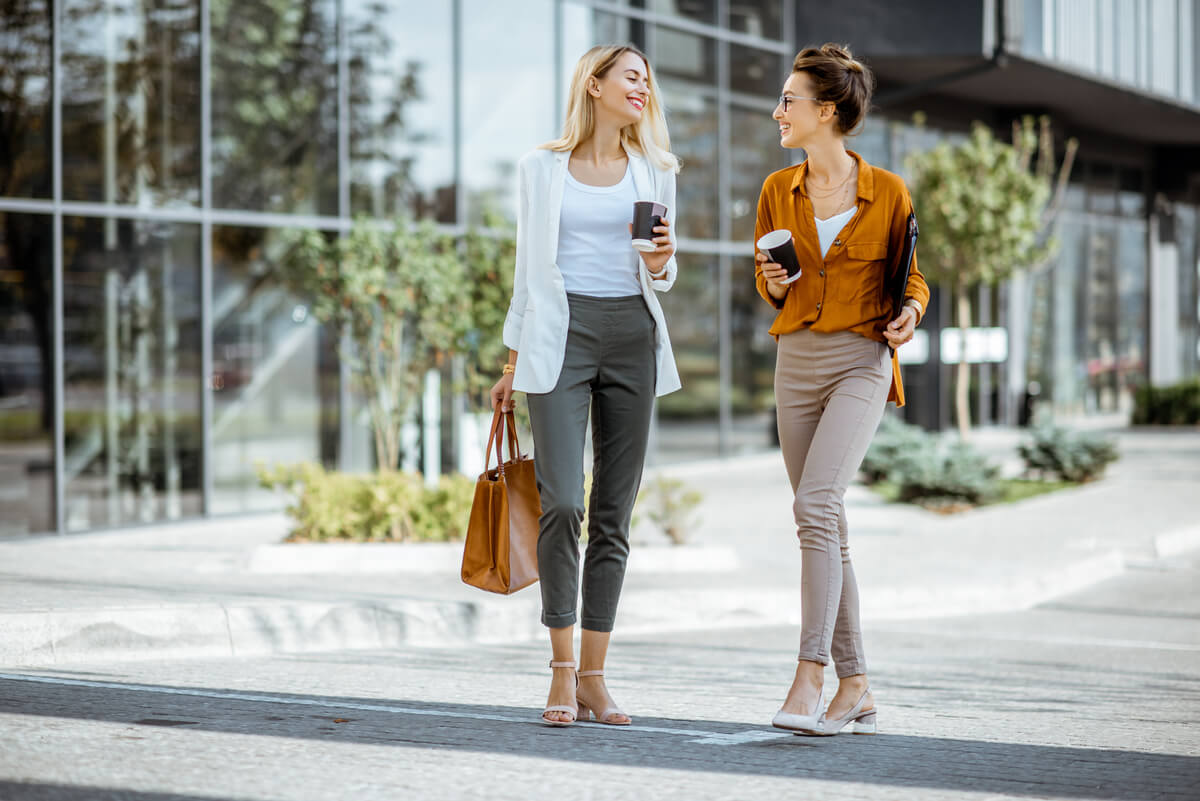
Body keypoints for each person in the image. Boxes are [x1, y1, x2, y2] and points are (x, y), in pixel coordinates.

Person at [489, 44, 681, 728]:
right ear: (595, 84)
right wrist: (513, 364)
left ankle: (595, 679)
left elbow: (664, 270)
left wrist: (662, 260)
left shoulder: (656, 169)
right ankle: (561, 671)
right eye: (632, 76)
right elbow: (525, 271)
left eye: (647, 81)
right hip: (558, 340)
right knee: (563, 500)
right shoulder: (539, 168)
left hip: (633, 335)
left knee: (613, 516)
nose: (643, 87)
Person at [754, 43, 929, 736]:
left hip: (862, 360)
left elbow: (912, 279)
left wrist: (911, 310)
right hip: (794, 362)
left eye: (789, 100)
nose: (779, 111)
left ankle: (810, 671)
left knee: (816, 504)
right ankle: (858, 685)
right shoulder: (777, 190)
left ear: (826, 111)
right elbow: (766, 281)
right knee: (828, 524)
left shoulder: (887, 191)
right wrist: (770, 283)